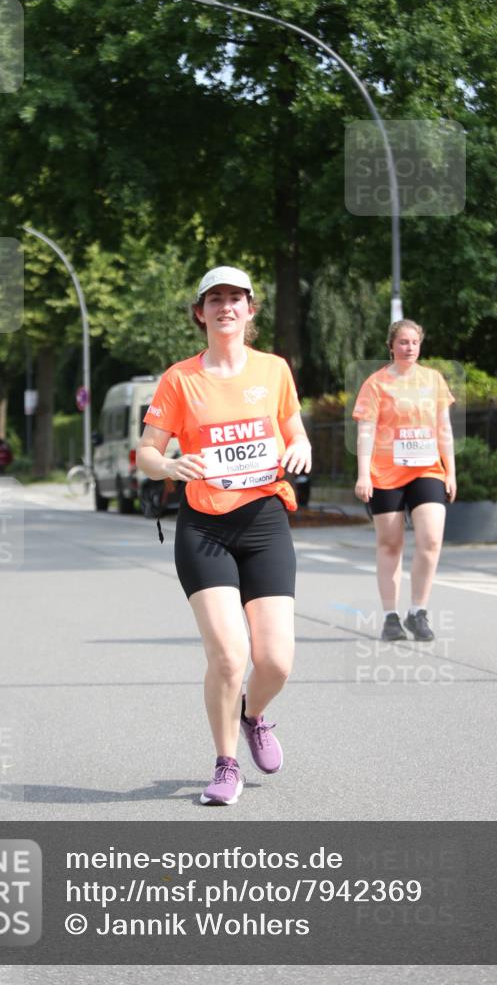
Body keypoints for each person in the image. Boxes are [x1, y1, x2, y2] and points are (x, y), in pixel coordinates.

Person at [137, 266, 311, 806]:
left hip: (264, 522)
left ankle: (253, 715)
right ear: (200, 312)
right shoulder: (180, 379)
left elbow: (294, 430)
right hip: (204, 527)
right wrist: (169, 466)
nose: (226, 306)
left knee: (276, 660)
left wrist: (301, 446)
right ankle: (226, 763)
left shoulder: (275, 370)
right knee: (230, 656)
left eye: (236, 298)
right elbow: (145, 453)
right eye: (215, 299)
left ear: (250, 310)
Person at [353, 319, 456, 642]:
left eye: (414, 342)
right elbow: (365, 430)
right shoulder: (376, 383)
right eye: (402, 342)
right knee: (390, 544)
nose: (409, 347)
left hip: (427, 470)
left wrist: (450, 470)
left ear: (420, 346)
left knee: (431, 539)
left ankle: (418, 611)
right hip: (386, 473)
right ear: (391, 346)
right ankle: (390, 616)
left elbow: (444, 428)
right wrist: (363, 473)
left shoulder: (434, 380)